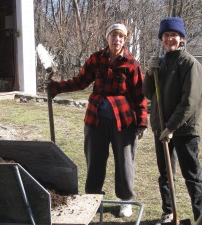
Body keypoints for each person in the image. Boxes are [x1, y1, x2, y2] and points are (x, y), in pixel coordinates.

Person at [48, 23, 148, 217]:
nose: (116, 39)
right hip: (95, 120)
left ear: (124, 40)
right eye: (113, 35)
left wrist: (141, 122)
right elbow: (80, 81)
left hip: (123, 122)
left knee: (125, 162)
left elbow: (139, 96)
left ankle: (125, 200)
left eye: (120, 36)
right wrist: (57, 87)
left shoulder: (131, 64)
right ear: (107, 37)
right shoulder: (95, 59)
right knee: (94, 160)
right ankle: (93, 198)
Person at [143, 17, 202, 223]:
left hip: (185, 130)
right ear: (162, 38)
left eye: (174, 35)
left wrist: (170, 127)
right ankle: (168, 212)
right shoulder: (160, 63)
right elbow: (148, 93)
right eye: (166, 35)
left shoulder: (190, 64)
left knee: (192, 176)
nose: (170, 38)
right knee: (165, 175)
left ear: (181, 38)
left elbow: (190, 101)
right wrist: (149, 73)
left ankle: (201, 217)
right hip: (161, 127)